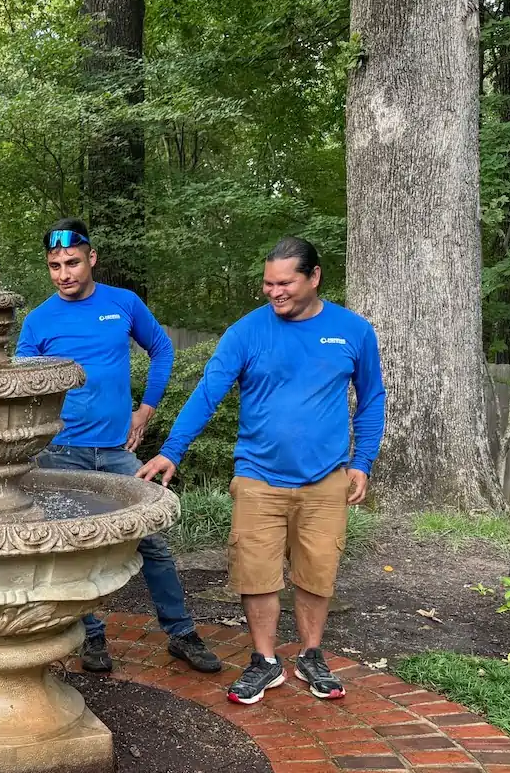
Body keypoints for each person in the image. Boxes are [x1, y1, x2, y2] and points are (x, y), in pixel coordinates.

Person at [137, 236, 386, 705]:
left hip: (326, 478)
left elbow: (371, 399)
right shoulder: (247, 332)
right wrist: (172, 450)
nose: (275, 292)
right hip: (258, 476)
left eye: (285, 283)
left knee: (317, 572)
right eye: (268, 284)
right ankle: (265, 661)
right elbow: (208, 393)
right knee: (256, 573)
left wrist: (363, 461)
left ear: (314, 277)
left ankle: (312, 655)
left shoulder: (353, 331)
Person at [17, 219, 221, 675]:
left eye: (72, 262)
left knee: (153, 542)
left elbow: (163, 350)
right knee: (75, 549)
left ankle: (181, 633)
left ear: (92, 258)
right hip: (61, 453)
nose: (64, 273)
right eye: (54, 266)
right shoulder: (39, 320)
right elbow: (21, 384)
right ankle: (91, 637)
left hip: (116, 451)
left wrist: (145, 409)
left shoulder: (123, 304)